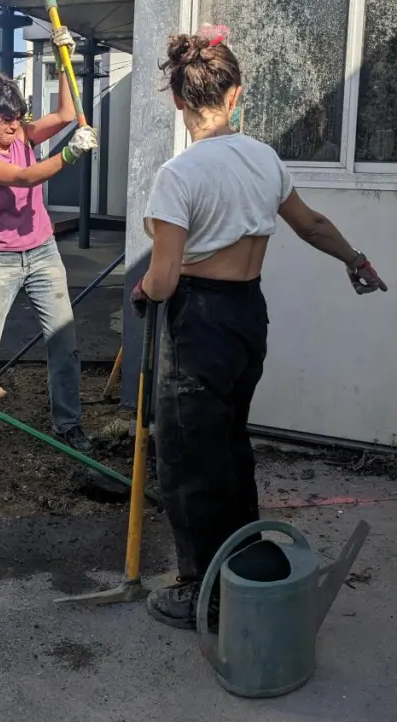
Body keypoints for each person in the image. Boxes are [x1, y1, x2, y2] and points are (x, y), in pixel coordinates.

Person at [130, 31, 387, 630]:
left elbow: (163, 279)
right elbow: (311, 224)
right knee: (228, 444)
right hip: (247, 316)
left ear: (178, 99)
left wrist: (142, 290)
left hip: (199, 322)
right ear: (235, 95)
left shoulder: (178, 175)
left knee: (188, 460)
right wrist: (356, 260)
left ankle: (206, 593)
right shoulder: (263, 158)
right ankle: (242, 565)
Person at [0, 27, 98, 453]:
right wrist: (69, 154)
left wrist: (62, 59)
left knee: (64, 342)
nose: (15, 128)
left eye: (19, 119)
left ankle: (68, 423)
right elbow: (23, 177)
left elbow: (66, 114)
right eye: (7, 121)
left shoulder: (22, 135)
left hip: (42, 252)